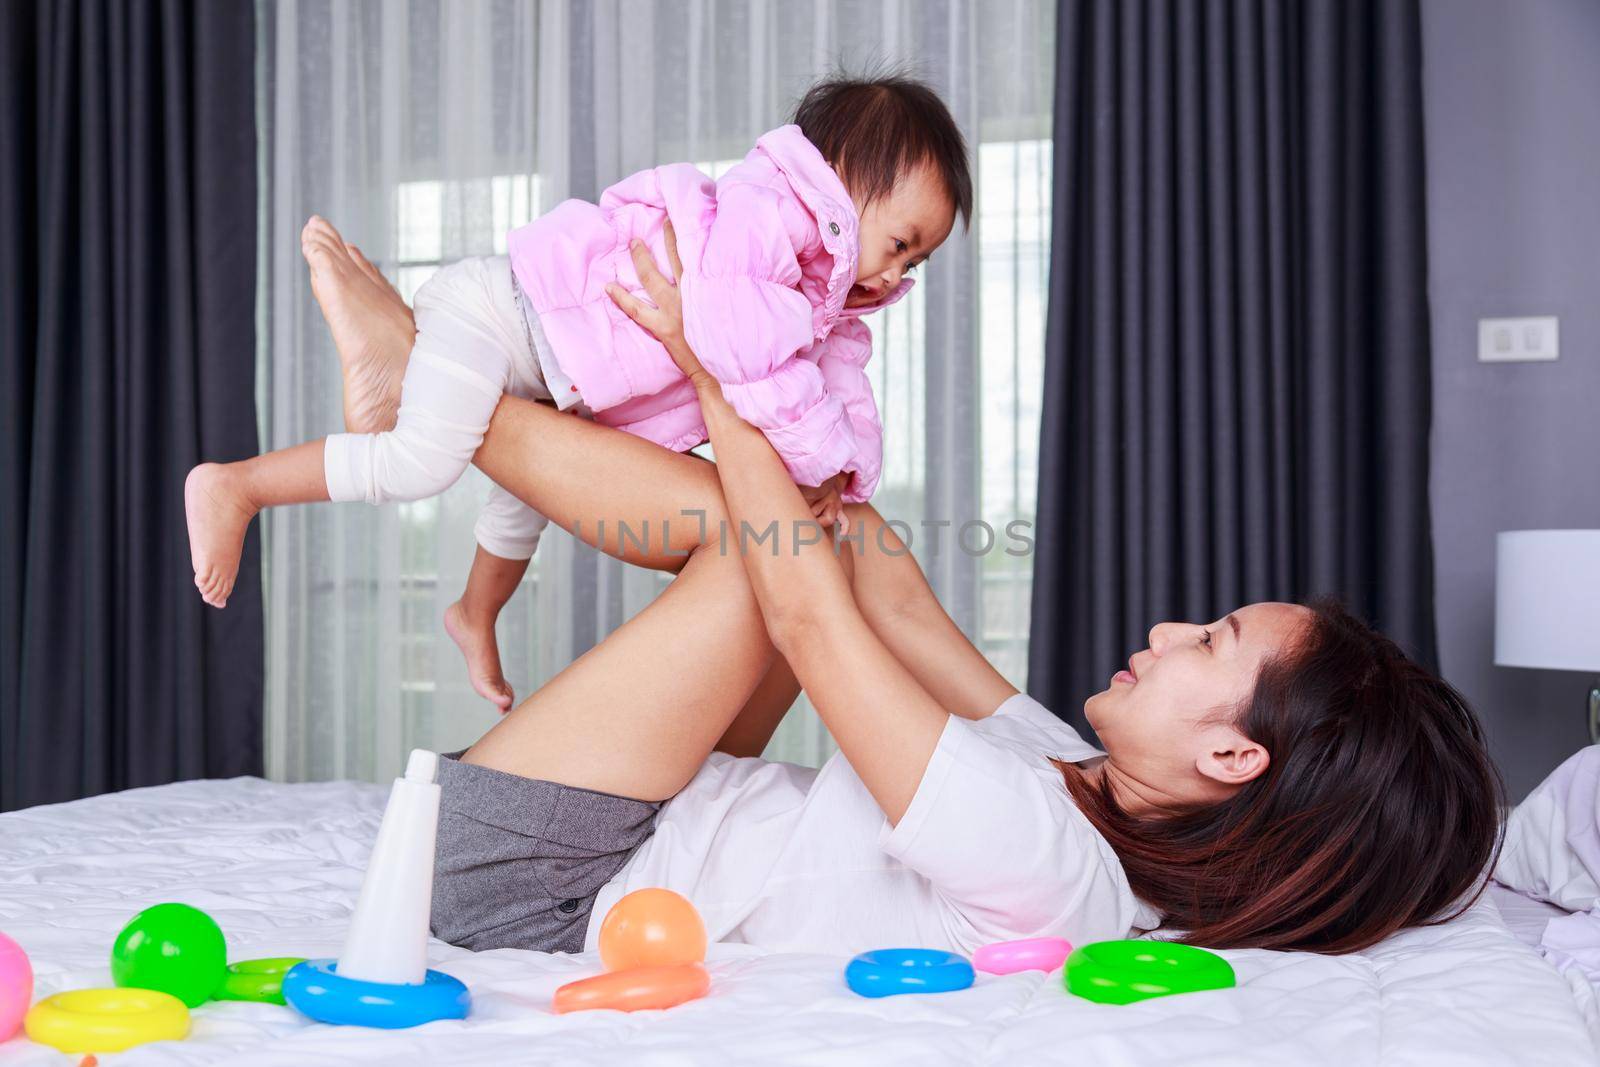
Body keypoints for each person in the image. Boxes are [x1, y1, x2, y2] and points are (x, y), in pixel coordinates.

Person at [299, 223, 1502, 958]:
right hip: (647, 823)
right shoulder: (1070, 785)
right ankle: (447, 397)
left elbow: (815, 620)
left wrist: (713, 370)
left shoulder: (1046, 858)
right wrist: (791, 383)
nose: (1167, 628)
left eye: (1212, 640)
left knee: (764, 549)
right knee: (818, 527)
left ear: (1237, 758)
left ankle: (425, 387)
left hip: (533, 884)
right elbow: (893, 595)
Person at [184, 74, 972, 716]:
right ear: (838, 178)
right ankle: (242, 482)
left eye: (918, 263)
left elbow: (840, 388)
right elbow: (743, 351)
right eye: (900, 243)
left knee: (521, 500)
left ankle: (474, 613)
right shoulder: (762, 218)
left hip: (552, 376)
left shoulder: (820, 298)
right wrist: (817, 458)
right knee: (421, 463)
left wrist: (843, 469)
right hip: (503, 317)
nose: (898, 275)